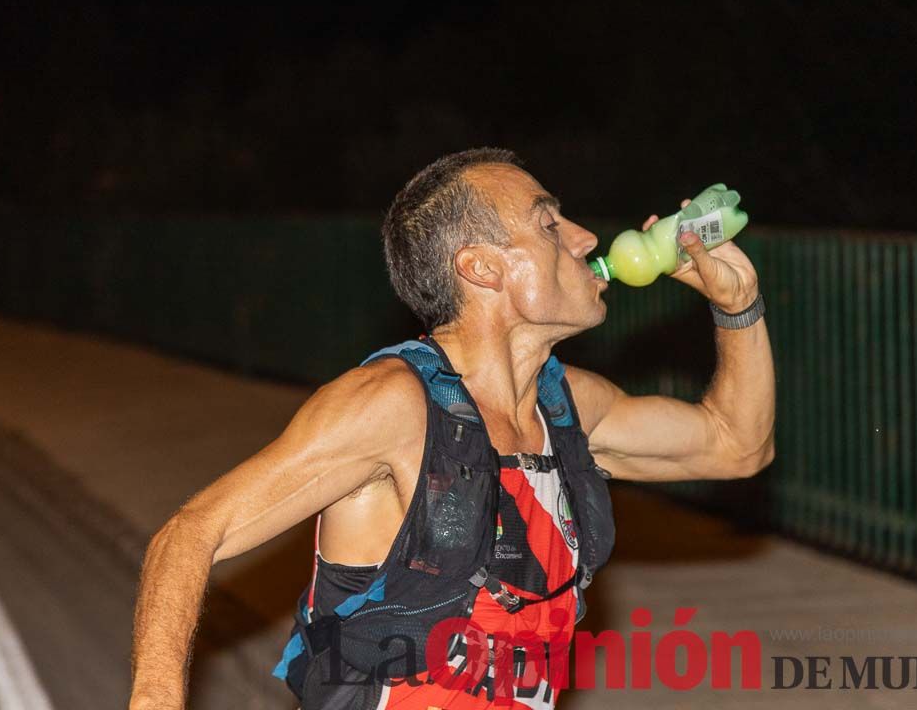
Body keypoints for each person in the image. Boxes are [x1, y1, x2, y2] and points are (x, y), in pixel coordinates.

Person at [129, 147, 775, 709]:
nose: (583, 238)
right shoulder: (393, 406)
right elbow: (191, 533)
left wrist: (738, 307)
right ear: (482, 268)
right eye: (549, 224)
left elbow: (737, 446)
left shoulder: (570, 405)